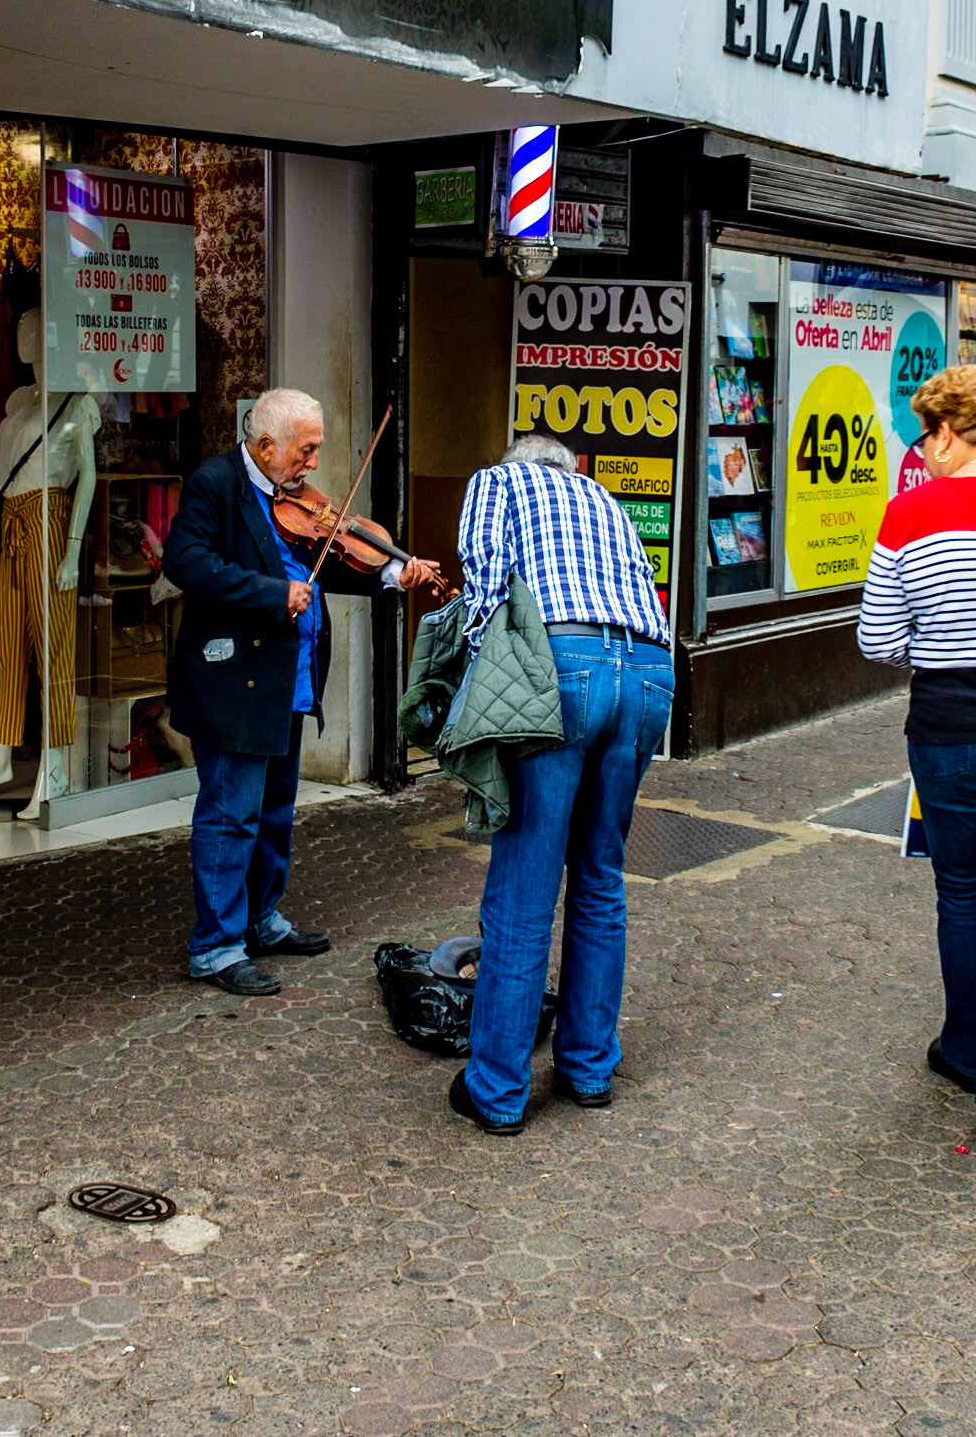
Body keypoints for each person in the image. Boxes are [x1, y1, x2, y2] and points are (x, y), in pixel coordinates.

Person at [162, 388, 439, 996]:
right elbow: (185, 561)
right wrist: (269, 596)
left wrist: (393, 570)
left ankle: (260, 918)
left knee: (275, 811)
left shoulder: (295, 501)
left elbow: (333, 556)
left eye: (316, 450)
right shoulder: (215, 484)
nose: (313, 464)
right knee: (230, 813)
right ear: (265, 446)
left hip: (290, 676)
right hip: (234, 679)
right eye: (305, 451)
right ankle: (214, 946)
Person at [448, 434, 673, 1135]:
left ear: (517, 462)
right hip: (647, 670)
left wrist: (478, 686)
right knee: (600, 875)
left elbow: (485, 588)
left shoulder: (497, 481)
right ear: (570, 468)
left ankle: (497, 1090)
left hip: (560, 666)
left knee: (524, 885)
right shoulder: (604, 498)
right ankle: (588, 1068)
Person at [858, 363, 976, 1153]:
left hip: (948, 733)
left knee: (964, 896)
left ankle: (964, 1052)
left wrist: (938, 651)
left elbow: (877, 638)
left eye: (922, 435)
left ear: (946, 432)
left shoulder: (910, 515)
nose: (921, 450)